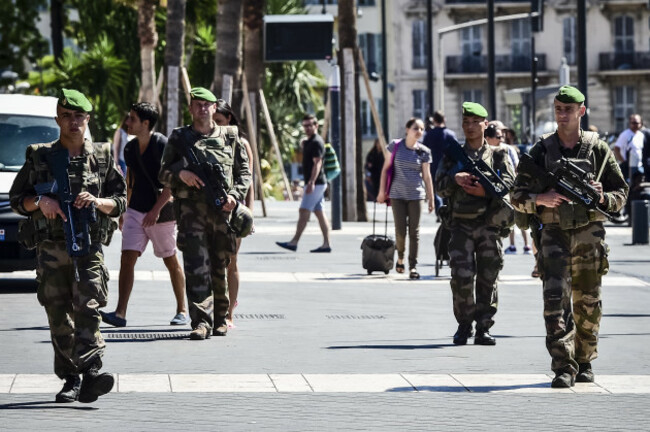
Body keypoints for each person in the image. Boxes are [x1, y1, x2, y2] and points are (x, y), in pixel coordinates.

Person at [9, 88, 126, 403]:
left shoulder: (102, 156)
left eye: (79, 116)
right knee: (58, 314)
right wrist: (40, 202)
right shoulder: (40, 155)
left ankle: (91, 371)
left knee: (88, 308)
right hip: (51, 248)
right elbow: (17, 200)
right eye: (67, 116)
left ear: (88, 119)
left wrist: (99, 201)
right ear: (57, 118)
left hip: (88, 246)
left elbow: (121, 200)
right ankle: (71, 378)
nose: (73, 122)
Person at [510, 85, 628, 388]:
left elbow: (621, 193)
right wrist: (540, 198)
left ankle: (585, 360)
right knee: (554, 303)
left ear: (581, 112)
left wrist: (603, 199)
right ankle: (563, 366)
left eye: (568, 109)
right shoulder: (540, 151)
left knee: (587, 302)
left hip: (589, 236)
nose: (562, 115)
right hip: (553, 235)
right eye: (558, 109)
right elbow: (516, 195)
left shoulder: (598, 149)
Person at [159, 87, 251, 340]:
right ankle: (201, 322)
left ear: (214, 108)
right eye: (197, 104)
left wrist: (234, 195)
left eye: (206, 104)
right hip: (190, 213)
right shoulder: (179, 138)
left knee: (219, 265)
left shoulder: (230, 136)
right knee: (195, 266)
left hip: (222, 212)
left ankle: (222, 318)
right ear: (190, 108)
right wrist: (181, 174)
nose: (202, 108)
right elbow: (162, 173)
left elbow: (244, 173)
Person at [100, 102, 188, 328]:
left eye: (132, 119)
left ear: (145, 123)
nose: (127, 123)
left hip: (162, 211)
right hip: (136, 211)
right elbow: (131, 180)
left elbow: (172, 183)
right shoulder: (129, 149)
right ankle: (120, 313)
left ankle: (182, 309)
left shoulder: (162, 145)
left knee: (170, 259)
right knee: (127, 258)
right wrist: (124, 211)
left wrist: (155, 211)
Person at [435, 102, 515, 346]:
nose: (469, 127)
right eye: (466, 122)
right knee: (461, 277)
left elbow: (511, 185)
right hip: (460, 225)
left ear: (485, 124)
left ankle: (483, 326)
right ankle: (463, 324)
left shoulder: (499, 155)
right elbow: (439, 186)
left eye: (475, 122)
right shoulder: (452, 155)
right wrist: (454, 178)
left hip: (489, 225)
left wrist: (485, 192)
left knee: (488, 277)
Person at [213, 99, 255, 329]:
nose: (215, 125)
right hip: (210, 211)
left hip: (235, 212)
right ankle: (213, 309)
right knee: (212, 262)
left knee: (231, 261)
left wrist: (249, 214)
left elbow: (248, 181)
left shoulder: (240, 142)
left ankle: (229, 313)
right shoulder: (203, 141)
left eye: (219, 121)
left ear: (229, 119)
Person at [377, 117, 434, 280]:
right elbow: (385, 169)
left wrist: (431, 198)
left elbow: (427, 176)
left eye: (422, 129)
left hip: (416, 196)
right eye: (416, 128)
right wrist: (382, 192)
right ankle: (400, 257)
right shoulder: (395, 146)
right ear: (407, 129)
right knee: (400, 231)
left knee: (414, 232)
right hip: (397, 195)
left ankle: (413, 266)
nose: (419, 132)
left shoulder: (424, 151)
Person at [276, 114, 332, 253]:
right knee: (319, 213)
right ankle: (326, 244)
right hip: (317, 183)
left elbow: (317, 163)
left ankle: (294, 242)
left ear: (316, 126)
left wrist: (312, 182)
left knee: (303, 211)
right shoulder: (310, 141)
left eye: (309, 125)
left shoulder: (317, 142)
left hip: (316, 183)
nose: (307, 128)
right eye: (305, 126)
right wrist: (304, 143)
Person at [485, 124, 530, 255]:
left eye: (502, 136)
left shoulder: (507, 150)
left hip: (509, 188)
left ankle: (526, 245)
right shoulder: (482, 152)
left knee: (516, 215)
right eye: (498, 137)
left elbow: (516, 168)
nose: (501, 139)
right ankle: (512, 245)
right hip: (492, 192)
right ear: (487, 138)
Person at [422, 110, 457, 215]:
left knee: (435, 189)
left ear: (434, 120)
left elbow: (423, 150)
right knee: (447, 188)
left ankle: (439, 211)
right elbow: (456, 151)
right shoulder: (450, 134)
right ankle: (446, 210)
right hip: (447, 167)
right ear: (444, 119)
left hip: (432, 165)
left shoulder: (429, 135)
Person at [614, 114, 644, 182]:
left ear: (641, 123)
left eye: (636, 123)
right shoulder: (625, 134)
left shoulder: (641, 135)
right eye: (633, 123)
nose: (635, 125)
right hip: (628, 166)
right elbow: (616, 148)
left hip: (640, 165)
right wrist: (623, 161)